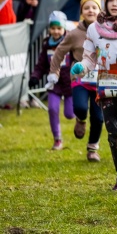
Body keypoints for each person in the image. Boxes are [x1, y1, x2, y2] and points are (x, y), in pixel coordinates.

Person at [70, 0, 117, 192]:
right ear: (105, 2)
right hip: (105, 88)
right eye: (111, 0)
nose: (114, 4)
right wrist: (81, 67)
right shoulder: (94, 29)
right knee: (112, 134)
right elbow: (90, 58)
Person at [48, 0, 104, 162]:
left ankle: (92, 148)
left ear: (100, 11)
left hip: (100, 81)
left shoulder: (106, 30)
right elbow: (59, 52)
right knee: (79, 107)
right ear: (81, 12)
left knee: (98, 117)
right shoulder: (74, 34)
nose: (90, 10)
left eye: (94, 7)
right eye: (86, 8)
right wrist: (54, 71)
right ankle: (80, 119)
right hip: (80, 79)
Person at [29, 11, 75, 150]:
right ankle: (57, 139)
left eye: (59, 28)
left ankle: (79, 117)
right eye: (53, 28)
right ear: (49, 29)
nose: (56, 31)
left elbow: (78, 59)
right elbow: (41, 64)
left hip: (70, 83)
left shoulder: (70, 43)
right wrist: (35, 76)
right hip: (53, 83)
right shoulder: (46, 45)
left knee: (69, 114)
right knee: (52, 109)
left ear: (64, 29)